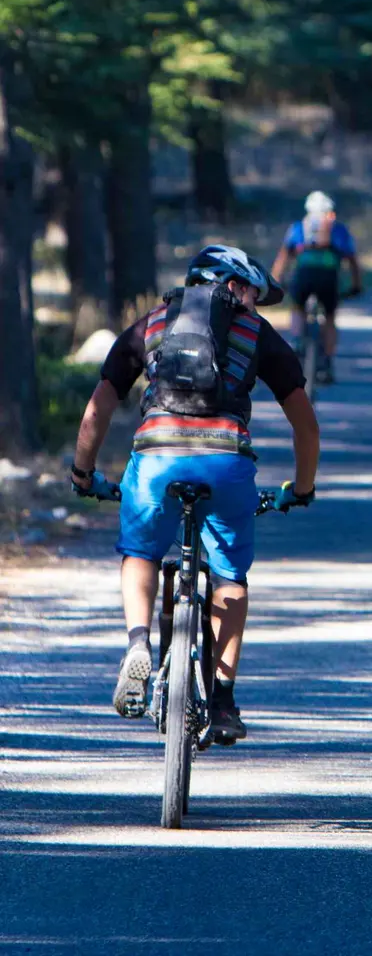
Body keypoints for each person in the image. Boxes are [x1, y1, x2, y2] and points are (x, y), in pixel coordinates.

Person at [69, 245, 320, 746]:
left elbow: (100, 406)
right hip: (226, 465)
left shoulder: (152, 325)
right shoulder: (256, 334)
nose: (252, 303)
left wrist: (83, 472)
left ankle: (138, 641)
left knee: (140, 552)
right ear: (231, 284)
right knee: (229, 574)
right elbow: (305, 425)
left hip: (156, 459)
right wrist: (303, 487)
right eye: (250, 291)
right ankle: (223, 699)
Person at [271, 190, 363, 383]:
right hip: (329, 278)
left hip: (304, 275)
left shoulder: (298, 228)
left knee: (297, 307)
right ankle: (327, 362)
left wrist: (275, 281)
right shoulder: (338, 229)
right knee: (329, 317)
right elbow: (353, 260)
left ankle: (296, 340)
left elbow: (283, 257)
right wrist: (356, 285)